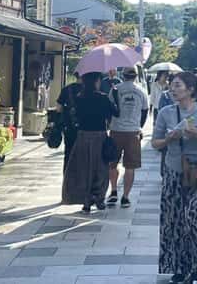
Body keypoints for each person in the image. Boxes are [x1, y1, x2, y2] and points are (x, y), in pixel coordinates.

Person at [152, 72, 197, 283]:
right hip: (173, 171)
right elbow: (155, 143)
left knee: (193, 219)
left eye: (177, 85)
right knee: (172, 221)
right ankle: (176, 268)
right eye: (172, 85)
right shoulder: (166, 112)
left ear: (190, 89)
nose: (173, 89)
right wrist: (169, 139)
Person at [62, 71, 119, 214]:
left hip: (82, 136)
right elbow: (116, 113)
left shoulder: (79, 98)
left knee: (85, 169)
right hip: (100, 136)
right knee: (101, 169)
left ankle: (86, 201)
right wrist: (115, 96)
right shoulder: (103, 98)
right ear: (96, 82)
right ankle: (99, 198)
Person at [107, 67, 149, 208]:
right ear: (136, 76)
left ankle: (113, 191)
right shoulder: (141, 91)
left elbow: (109, 108)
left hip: (116, 130)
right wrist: (138, 126)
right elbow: (145, 111)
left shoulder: (115, 89)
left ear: (123, 75)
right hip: (133, 132)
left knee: (112, 163)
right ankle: (125, 197)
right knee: (130, 167)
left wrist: (111, 123)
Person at [57, 72, 83, 171]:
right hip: (85, 128)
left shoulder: (67, 89)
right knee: (83, 155)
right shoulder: (88, 90)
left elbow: (59, 108)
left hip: (69, 126)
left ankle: (67, 175)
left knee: (68, 153)